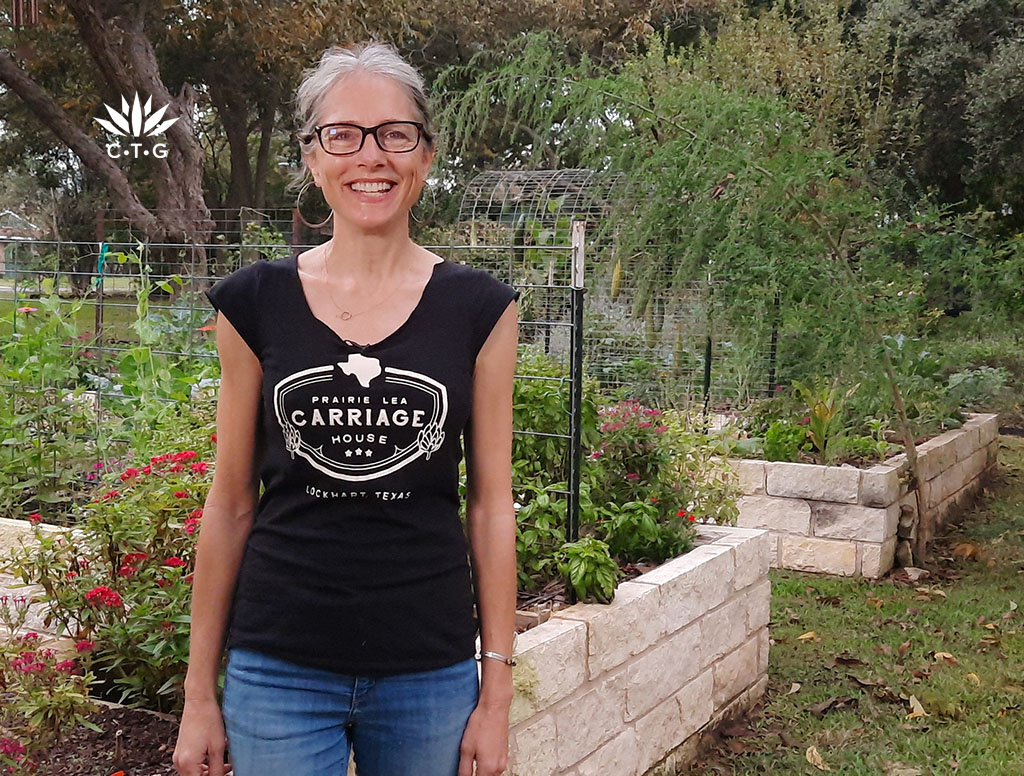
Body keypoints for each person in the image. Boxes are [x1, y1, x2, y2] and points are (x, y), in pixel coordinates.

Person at [173, 41, 519, 776]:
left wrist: (496, 695)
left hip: (429, 670)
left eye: (396, 134)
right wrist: (199, 693)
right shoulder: (252, 304)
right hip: (278, 668)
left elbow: (491, 508)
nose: (372, 156)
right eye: (344, 135)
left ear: (425, 157)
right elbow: (230, 503)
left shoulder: (481, 310)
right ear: (313, 157)